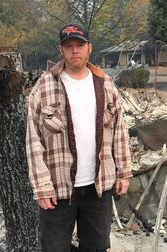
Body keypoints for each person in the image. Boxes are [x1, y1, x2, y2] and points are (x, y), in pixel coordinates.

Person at [26, 23, 132, 252]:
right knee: (54, 248)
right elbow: (33, 141)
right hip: (58, 189)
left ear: (89, 48)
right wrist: (42, 186)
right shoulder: (44, 87)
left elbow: (119, 131)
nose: (75, 50)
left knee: (96, 247)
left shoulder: (105, 84)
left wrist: (123, 172)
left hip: (98, 186)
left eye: (80, 45)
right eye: (69, 46)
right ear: (61, 50)